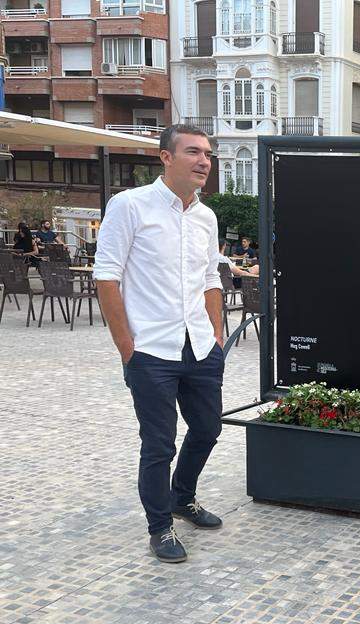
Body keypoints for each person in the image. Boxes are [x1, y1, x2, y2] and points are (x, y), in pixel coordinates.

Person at [95, 124, 226, 564]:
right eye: (193, 152)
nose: (203, 160)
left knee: (208, 428)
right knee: (158, 445)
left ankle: (181, 497)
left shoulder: (205, 217)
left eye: (207, 153)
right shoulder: (130, 206)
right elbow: (107, 276)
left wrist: (217, 334)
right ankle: (160, 527)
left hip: (199, 347)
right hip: (151, 349)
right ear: (165, 158)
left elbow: (211, 278)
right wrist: (126, 348)